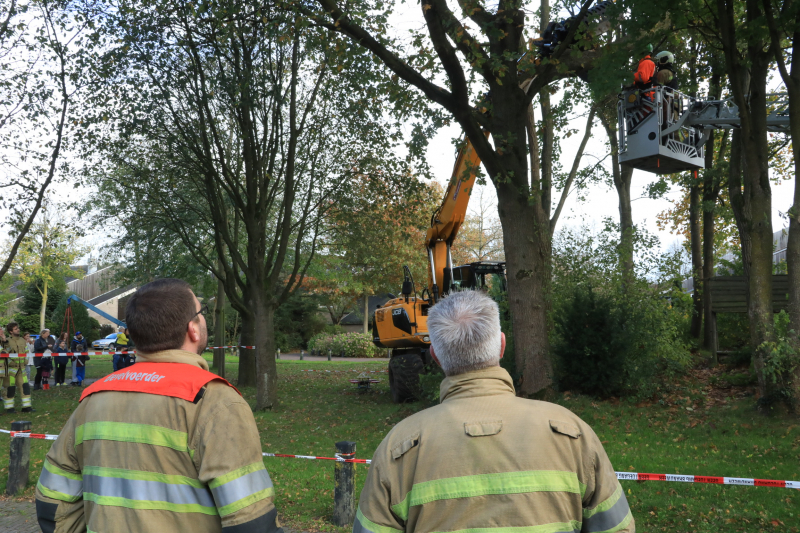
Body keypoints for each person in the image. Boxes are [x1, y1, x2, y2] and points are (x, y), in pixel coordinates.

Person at [355, 290, 635, 533]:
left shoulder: (399, 447)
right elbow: (616, 526)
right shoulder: (572, 433)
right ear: (501, 345)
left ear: (437, 357)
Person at [36, 278, 283, 533]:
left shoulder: (93, 399)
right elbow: (252, 522)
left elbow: (52, 500)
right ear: (193, 329)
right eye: (202, 313)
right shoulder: (215, 402)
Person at [0, 321, 34, 413]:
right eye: (16, 329)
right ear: (11, 331)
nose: (18, 330)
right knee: (10, 388)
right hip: (11, 369)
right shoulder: (6, 341)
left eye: (18, 328)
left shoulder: (22, 340)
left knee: (25, 387)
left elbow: (26, 351)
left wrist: (26, 361)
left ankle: (26, 407)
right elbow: (5, 353)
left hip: (22, 369)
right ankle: (9, 408)